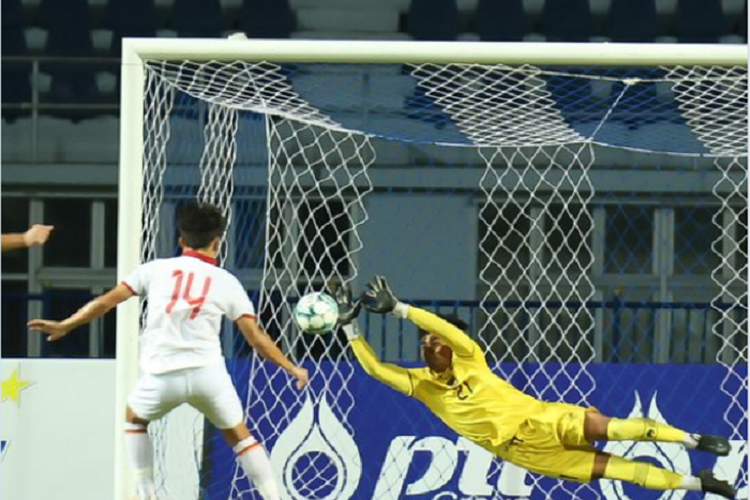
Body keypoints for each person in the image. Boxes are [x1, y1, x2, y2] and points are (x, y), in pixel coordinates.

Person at [335, 276, 736, 499]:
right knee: (624, 472)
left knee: (614, 427)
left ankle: (691, 439)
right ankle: (700, 483)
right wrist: (349, 326)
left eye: (434, 340)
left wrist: (401, 309)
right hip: (524, 453)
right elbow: (372, 367)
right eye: (424, 342)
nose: (429, 344)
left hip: (542, 418)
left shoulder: (470, 355)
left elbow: (441, 327)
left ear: (449, 345)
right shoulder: (421, 385)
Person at [28, 202, 308, 500]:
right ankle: (273, 497)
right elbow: (256, 339)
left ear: (181, 240)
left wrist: (65, 325)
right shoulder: (228, 282)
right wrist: (291, 367)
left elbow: (105, 302)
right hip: (208, 376)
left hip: (161, 376)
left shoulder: (154, 270)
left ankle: (146, 493)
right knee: (240, 436)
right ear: (217, 242)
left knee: (134, 420)